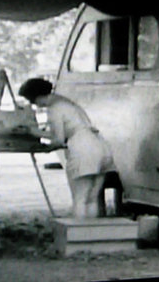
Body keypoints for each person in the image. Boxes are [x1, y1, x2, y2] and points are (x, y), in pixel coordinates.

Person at [18, 78, 116, 219]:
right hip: (101, 146)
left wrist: (33, 132)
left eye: (33, 101)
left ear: (39, 96)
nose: (36, 105)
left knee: (80, 198)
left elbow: (58, 139)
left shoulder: (54, 108)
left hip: (83, 147)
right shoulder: (67, 103)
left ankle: (79, 235)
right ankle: (92, 234)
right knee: (93, 197)